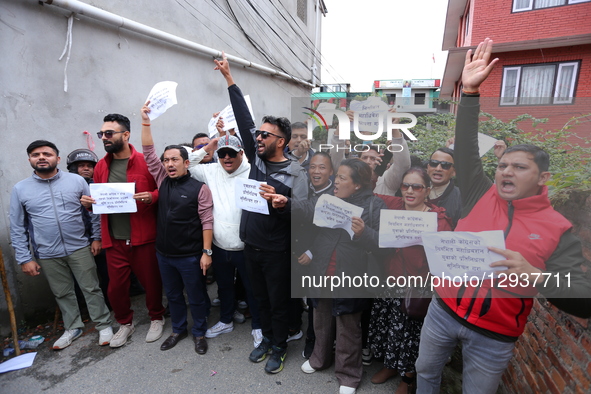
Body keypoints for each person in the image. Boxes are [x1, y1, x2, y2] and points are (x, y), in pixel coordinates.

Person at [415, 38, 591, 394]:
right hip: (442, 311)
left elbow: (583, 297)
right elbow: (464, 146)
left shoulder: (559, 229)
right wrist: (470, 92)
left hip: (495, 336)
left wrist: (538, 278)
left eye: (519, 167)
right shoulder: (481, 193)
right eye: (502, 165)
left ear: (543, 178)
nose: (506, 172)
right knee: (425, 373)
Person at [214, 52, 308, 374]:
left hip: (277, 251)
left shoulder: (297, 172)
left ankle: (280, 347)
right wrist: (230, 80)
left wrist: (284, 204)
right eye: (258, 135)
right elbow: (244, 120)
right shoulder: (256, 160)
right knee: (261, 301)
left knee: (279, 302)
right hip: (251, 246)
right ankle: (266, 339)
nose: (258, 137)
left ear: (280, 141)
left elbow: (306, 213)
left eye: (264, 135)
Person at [286, 158, 385, 394]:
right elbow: (307, 209)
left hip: (351, 277)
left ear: (358, 184)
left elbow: (385, 244)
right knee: (320, 320)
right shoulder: (329, 198)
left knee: (348, 328)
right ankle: (319, 359)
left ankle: (349, 375)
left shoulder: (375, 206)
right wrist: (284, 203)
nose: (335, 181)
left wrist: (364, 233)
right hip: (322, 270)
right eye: (336, 176)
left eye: (341, 178)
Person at [10, 140, 112, 349]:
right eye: (35, 154)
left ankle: (103, 325)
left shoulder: (76, 181)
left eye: (46, 154)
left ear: (57, 158)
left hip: (80, 247)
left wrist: (96, 238)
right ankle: (72, 327)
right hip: (47, 252)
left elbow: (93, 212)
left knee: (91, 288)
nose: (41, 157)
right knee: (62, 292)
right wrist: (24, 258)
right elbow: (17, 226)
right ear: (29, 160)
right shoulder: (20, 189)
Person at [81, 114, 166, 348]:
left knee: (151, 282)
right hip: (114, 239)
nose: (104, 138)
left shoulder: (146, 162)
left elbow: (165, 190)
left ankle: (156, 316)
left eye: (109, 133)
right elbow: (100, 201)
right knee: (115, 287)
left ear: (126, 135)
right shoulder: (100, 166)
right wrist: (91, 203)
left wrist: (152, 196)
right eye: (101, 134)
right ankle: (125, 323)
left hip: (143, 237)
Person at [369, 167, 452, 393]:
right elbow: (368, 191)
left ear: (427, 190)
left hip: (418, 287)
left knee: (411, 334)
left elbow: (445, 257)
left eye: (416, 186)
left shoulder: (438, 220)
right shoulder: (394, 205)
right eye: (405, 185)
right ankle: (389, 366)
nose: (409, 191)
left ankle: (407, 378)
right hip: (391, 281)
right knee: (389, 329)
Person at [139, 105, 213, 354]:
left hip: (191, 256)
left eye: (174, 160)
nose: (169, 164)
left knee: (196, 297)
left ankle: (200, 333)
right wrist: (146, 123)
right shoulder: (162, 180)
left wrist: (206, 252)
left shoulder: (199, 188)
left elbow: (206, 221)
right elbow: (148, 152)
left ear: (186, 162)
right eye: (166, 160)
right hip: (164, 255)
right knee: (172, 296)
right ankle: (179, 330)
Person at [187, 131, 263, 349]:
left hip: (247, 245)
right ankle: (226, 320)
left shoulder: (253, 171)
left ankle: (257, 325)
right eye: (222, 154)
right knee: (225, 287)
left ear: (241, 153)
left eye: (231, 153)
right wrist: (209, 147)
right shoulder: (211, 170)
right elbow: (187, 164)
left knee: (252, 288)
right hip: (220, 245)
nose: (227, 158)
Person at [66, 148, 110, 307]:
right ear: (72, 168)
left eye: (89, 166)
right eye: (81, 165)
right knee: (81, 279)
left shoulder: (99, 187)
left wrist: (96, 238)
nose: (86, 168)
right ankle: (84, 308)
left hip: (99, 239)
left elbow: (97, 215)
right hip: (76, 242)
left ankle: (110, 304)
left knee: (107, 274)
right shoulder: (66, 187)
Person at [426, 147, 462, 228]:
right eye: (434, 164)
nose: (438, 169)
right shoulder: (415, 190)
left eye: (445, 165)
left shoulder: (461, 198)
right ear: (428, 168)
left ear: (454, 172)